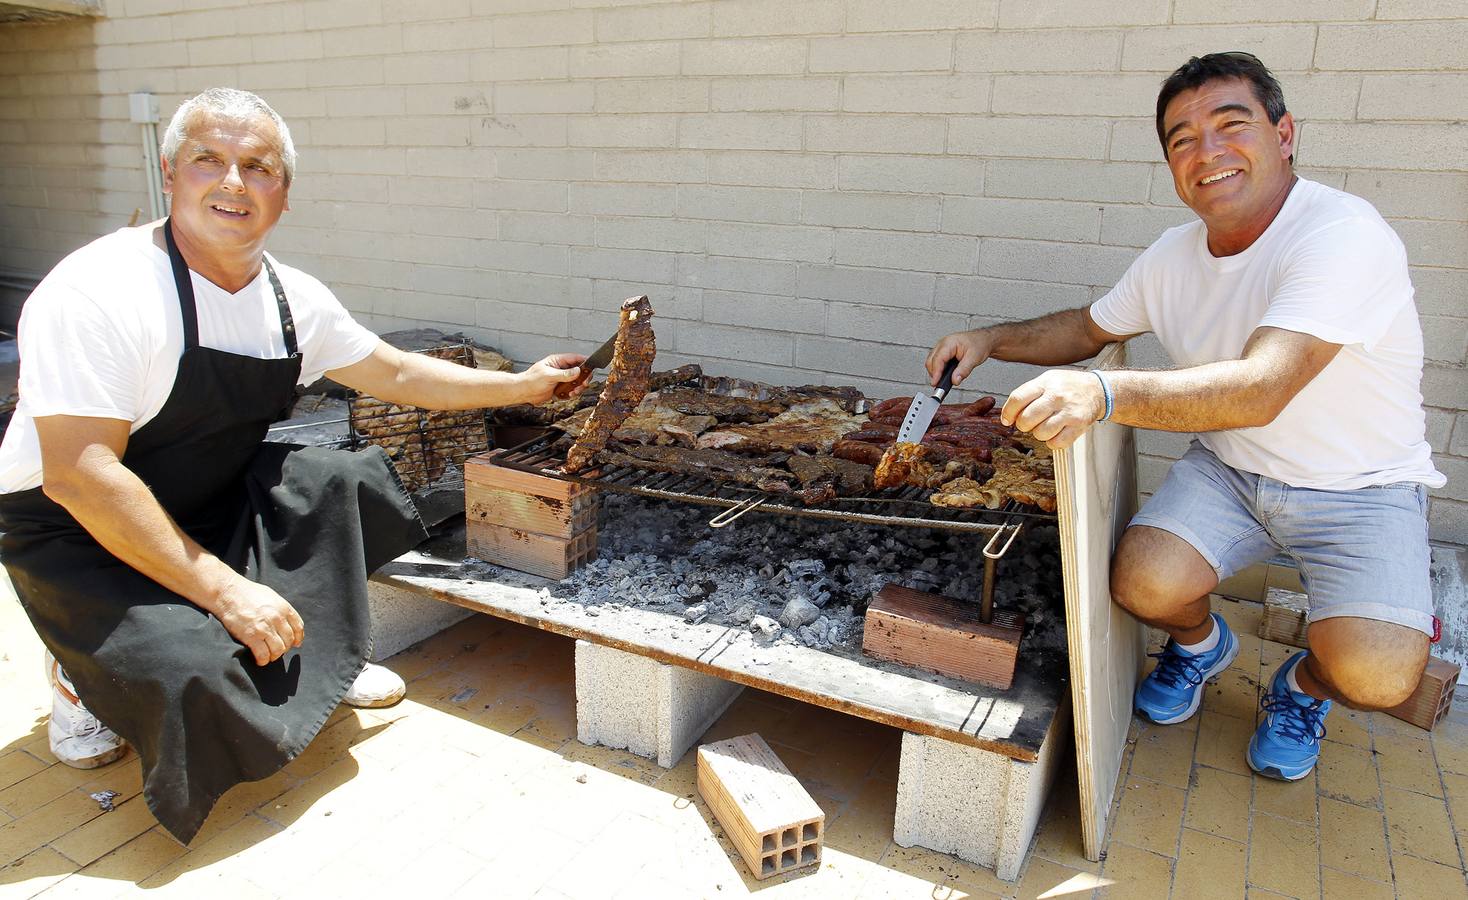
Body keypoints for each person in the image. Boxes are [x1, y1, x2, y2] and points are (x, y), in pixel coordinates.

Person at [0, 88, 586, 842]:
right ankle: (81, 679)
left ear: (285, 194)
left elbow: (399, 376)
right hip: (72, 525)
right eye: (209, 161)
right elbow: (80, 473)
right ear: (170, 172)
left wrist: (523, 385)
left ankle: (322, 666)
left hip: (204, 491)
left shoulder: (290, 298)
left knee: (345, 480)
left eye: (259, 166)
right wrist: (224, 590)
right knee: (197, 677)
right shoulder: (100, 292)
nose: (233, 183)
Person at [926, 52, 1443, 781]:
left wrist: (1103, 395)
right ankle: (1202, 647)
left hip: (1361, 488)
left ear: (1285, 132)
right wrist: (988, 339)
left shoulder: (1342, 235)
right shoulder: (1173, 255)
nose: (1208, 152)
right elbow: (1086, 328)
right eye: (1182, 139)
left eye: (1231, 125)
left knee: (1379, 676)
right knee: (1141, 585)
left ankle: (1301, 689)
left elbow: (1263, 387)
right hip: (1233, 471)